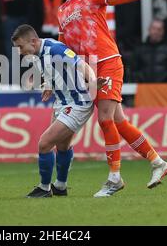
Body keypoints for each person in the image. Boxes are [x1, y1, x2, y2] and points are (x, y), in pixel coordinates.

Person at [58, 0, 167, 197]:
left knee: (105, 119)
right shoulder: (62, 10)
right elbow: (64, 46)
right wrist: (54, 77)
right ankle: (158, 162)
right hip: (89, 70)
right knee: (119, 122)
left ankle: (114, 178)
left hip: (108, 62)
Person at [11, 24, 103, 198]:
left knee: (44, 143)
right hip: (62, 102)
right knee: (62, 145)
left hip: (77, 103)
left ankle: (44, 188)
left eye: (20, 47)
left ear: (33, 41)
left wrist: (92, 80)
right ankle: (60, 186)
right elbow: (55, 71)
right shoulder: (36, 54)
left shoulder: (55, 49)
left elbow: (81, 64)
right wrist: (49, 84)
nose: (20, 52)